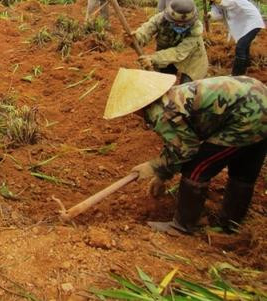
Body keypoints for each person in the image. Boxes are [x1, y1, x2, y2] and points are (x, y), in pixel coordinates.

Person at [104, 68, 266, 234]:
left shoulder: (162, 113)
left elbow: (187, 148)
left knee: (196, 170)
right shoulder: (171, 96)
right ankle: (230, 226)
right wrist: (162, 175)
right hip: (259, 97)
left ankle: (182, 226)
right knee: (243, 172)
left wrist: (155, 166)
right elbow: (178, 139)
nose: (132, 113)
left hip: (246, 118)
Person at [133, 0, 207, 83]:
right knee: (163, 81)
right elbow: (147, 29)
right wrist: (137, 37)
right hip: (166, 55)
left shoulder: (196, 30)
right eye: (176, 23)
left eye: (183, 25)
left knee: (187, 89)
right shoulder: (161, 19)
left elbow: (178, 53)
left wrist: (153, 59)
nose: (179, 26)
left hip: (192, 60)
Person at [203, 0, 265, 76]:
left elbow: (228, 3)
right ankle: (247, 67)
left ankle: (237, 74)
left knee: (240, 47)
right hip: (242, 25)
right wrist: (210, 15)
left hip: (252, 22)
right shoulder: (216, 2)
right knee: (244, 46)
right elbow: (218, 14)